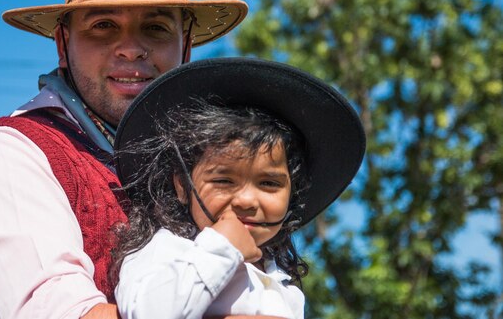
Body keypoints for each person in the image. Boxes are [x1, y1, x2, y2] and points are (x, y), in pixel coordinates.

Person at [0, 0, 248, 319]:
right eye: (103, 25)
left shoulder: (198, 169)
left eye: (156, 27)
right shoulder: (9, 157)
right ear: (63, 44)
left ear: (185, 48)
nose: (131, 48)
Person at [112, 58, 367, 319]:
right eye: (223, 181)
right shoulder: (166, 251)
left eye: (269, 183)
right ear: (182, 185)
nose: (247, 200)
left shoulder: (281, 281)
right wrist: (220, 248)